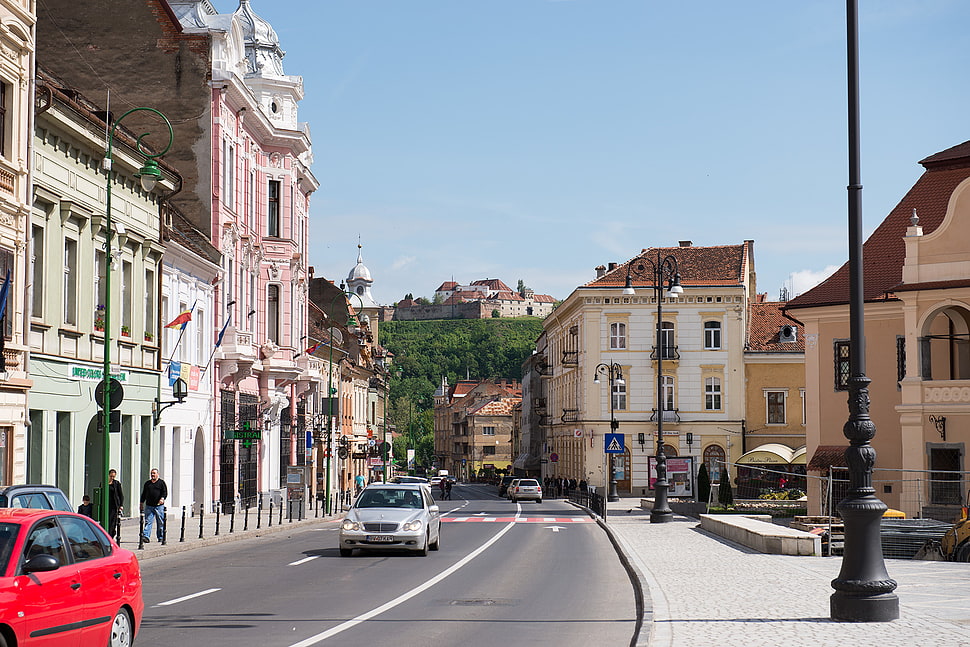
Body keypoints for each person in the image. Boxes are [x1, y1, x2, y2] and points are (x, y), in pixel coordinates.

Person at [140, 468, 168, 544]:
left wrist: (162, 498)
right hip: (149, 506)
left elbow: (164, 492)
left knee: (160, 522)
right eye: (151, 473)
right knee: (148, 521)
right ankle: (146, 536)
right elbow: (144, 494)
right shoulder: (147, 483)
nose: (152, 475)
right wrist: (141, 503)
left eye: (154, 473)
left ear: (157, 474)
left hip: (159, 506)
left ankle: (161, 537)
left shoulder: (161, 483)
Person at [108, 468, 124, 540]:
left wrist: (121, 505)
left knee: (112, 522)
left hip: (114, 505)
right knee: (107, 521)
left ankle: (110, 535)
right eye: (111, 476)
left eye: (113, 476)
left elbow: (120, 495)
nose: (112, 478)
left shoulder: (116, 484)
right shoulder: (104, 483)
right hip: (106, 505)